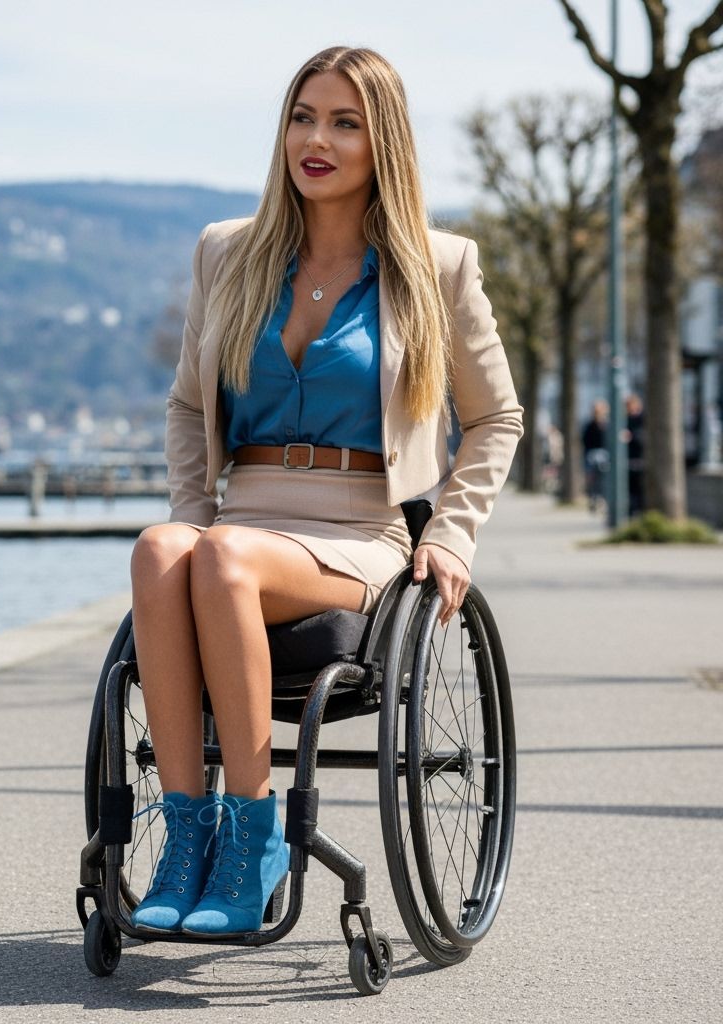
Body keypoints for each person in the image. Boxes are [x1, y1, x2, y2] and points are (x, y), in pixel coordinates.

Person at [127, 46, 524, 937]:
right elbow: (190, 406)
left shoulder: (438, 265)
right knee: (164, 548)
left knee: (222, 558)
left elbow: (496, 418)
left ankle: (254, 837)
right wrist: (192, 520)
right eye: (304, 116)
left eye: (346, 123)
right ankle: (187, 839)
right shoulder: (226, 253)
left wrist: (453, 533)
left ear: (383, 143)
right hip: (242, 516)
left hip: (362, 532)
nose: (318, 139)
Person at [581, 399, 610, 512]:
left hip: (604, 455)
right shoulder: (589, 425)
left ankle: (603, 500)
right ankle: (594, 499)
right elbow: (586, 442)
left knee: (604, 479)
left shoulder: (607, 425)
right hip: (592, 455)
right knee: (593, 480)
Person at [625, 393, 645, 517]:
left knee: (639, 487)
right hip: (628, 458)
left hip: (639, 457)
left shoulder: (643, 419)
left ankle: (639, 509)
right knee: (630, 487)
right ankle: (632, 510)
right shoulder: (624, 420)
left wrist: (632, 437)